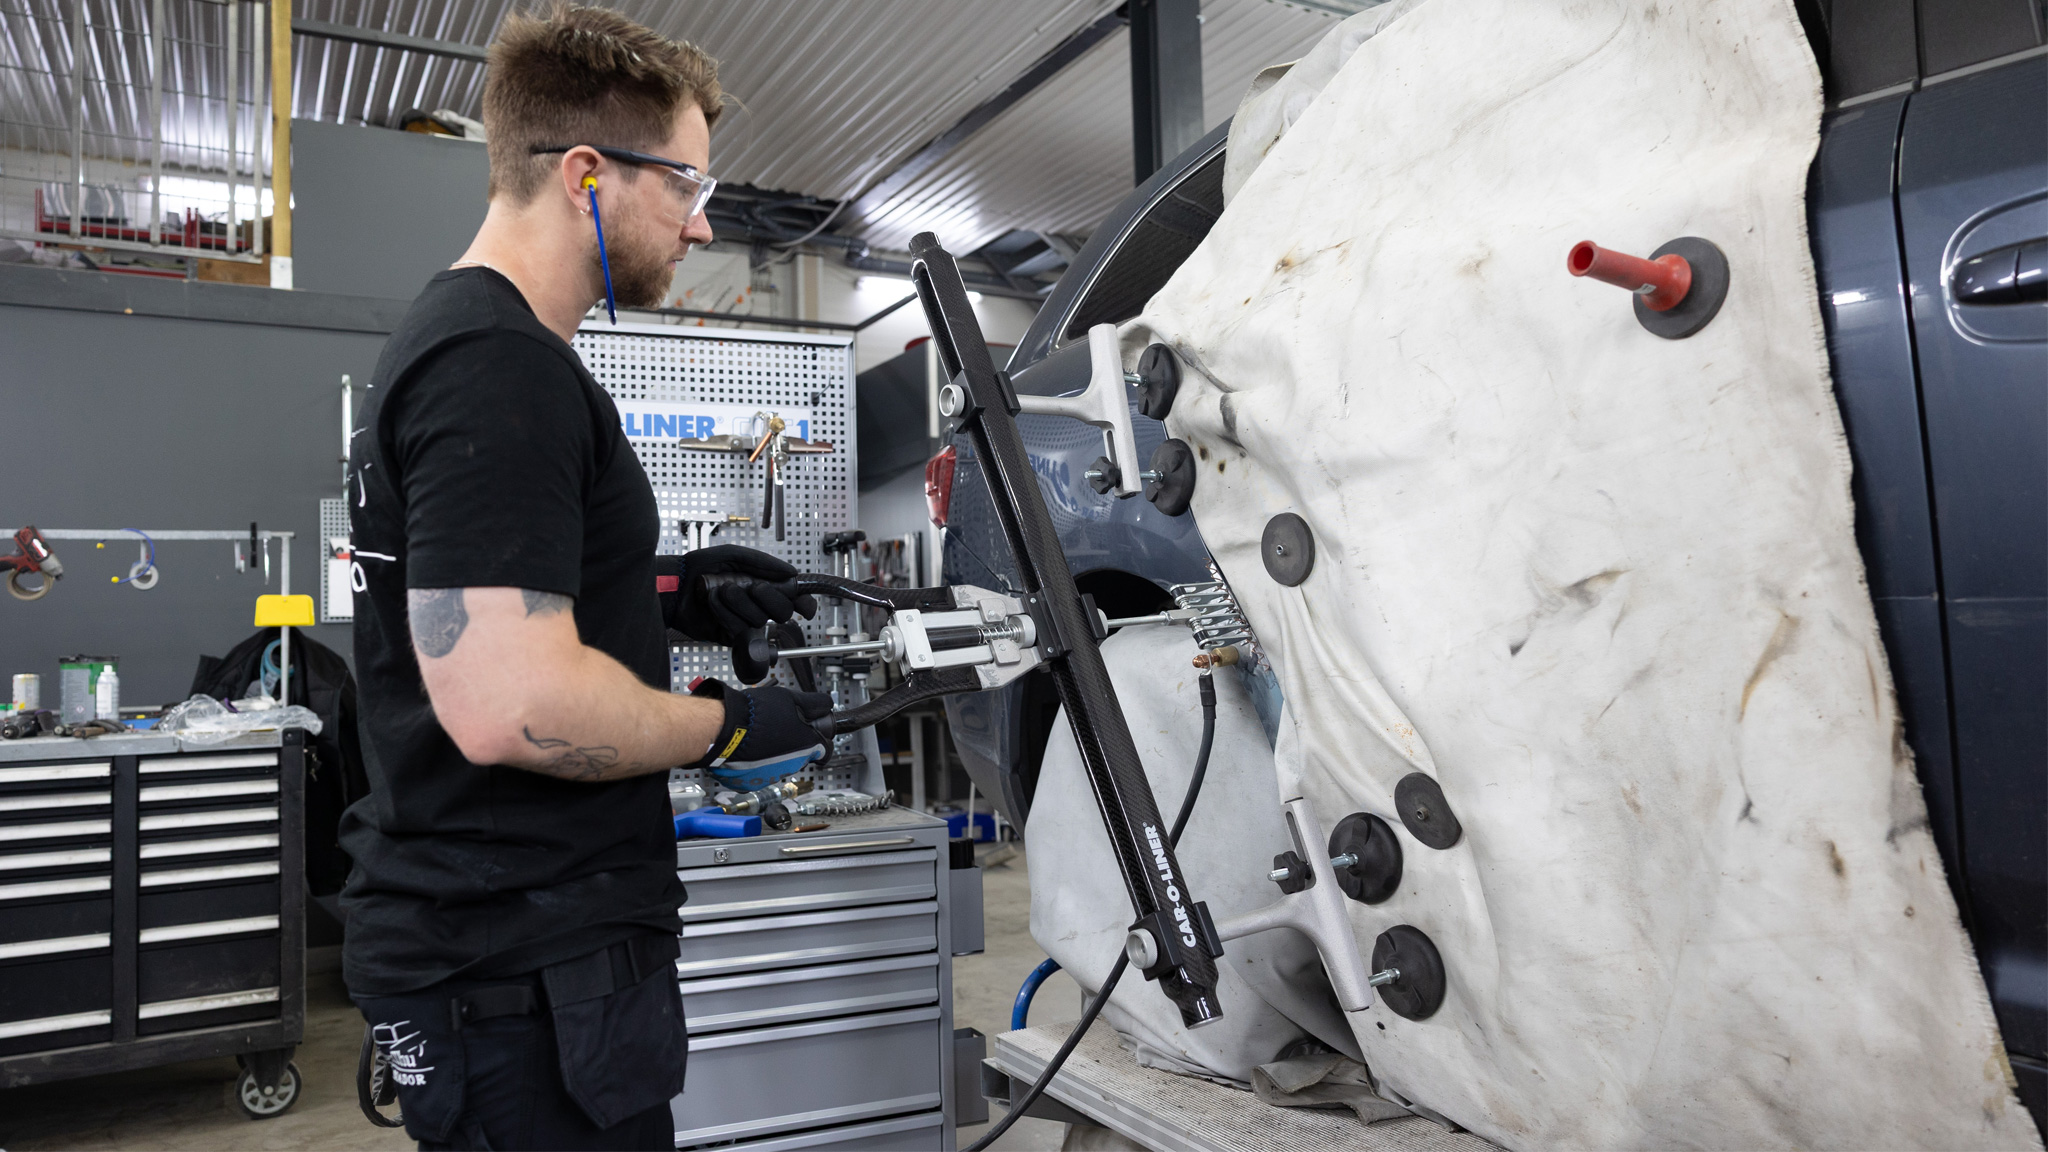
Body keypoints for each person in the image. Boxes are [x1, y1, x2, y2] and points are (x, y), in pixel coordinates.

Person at [337, 6, 828, 1148]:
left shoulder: (474, 343)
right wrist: (725, 727)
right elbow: (513, 706)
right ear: (585, 174)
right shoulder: (497, 367)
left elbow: (486, 591)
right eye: (687, 186)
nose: (702, 225)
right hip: (526, 977)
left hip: (519, 958)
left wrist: (667, 590)